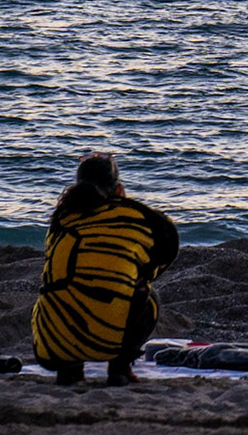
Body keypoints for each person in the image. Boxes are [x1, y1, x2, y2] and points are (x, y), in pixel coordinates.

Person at [31, 152, 179, 386]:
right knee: (148, 296)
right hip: (107, 338)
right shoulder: (136, 217)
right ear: (119, 189)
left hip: (51, 346)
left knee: (64, 287)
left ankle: (69, 370)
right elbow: (167, 249)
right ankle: (119, 369)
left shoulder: (61, 219)